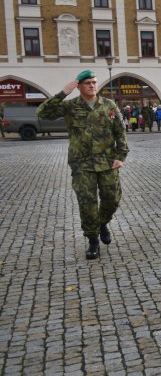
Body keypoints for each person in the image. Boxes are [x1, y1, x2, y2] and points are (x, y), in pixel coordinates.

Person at [37, 70, 128, 260]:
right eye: (87, 83)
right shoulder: (70, 106)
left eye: (94, 82)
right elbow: (43, 113)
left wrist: (121, 156)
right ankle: (93, 240)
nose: (92, 86)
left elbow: (120, 132)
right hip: (82, 164)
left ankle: (102, 223)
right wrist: (63, 93)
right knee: (87, 203)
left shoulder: (108, 106)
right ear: (79, 86)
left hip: (107, 162)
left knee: (112, 199)